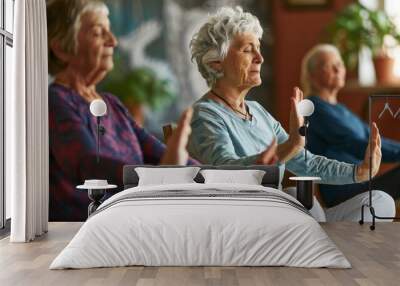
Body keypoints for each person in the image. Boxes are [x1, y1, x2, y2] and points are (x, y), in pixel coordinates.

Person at [187, 6, 395, 221]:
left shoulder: (257, 111)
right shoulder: (205, 116)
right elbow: (226, 173)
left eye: (258, 49)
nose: (260, 58)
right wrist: (290, 146)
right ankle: (325, 244)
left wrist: (360, 171)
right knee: (296, 197)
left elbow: (307, 162)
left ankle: (324, 245)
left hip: (292, 222)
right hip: (252, 222)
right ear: (216, 63)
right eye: (248, 49)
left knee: (380, 201)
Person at [47, 0, 196, 221]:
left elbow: (159, 153)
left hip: (130, 218)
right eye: (99, 33)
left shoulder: (112, 104)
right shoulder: (56, 101)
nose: (113, 41)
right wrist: (161, 177)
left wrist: (217, 178)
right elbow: (90, 167)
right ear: (61, 48)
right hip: (87, 227)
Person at [301, 44, 400, 210]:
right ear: (312, 75)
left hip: (362, 183)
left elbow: (376, 140)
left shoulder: (341, 109)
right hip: (343, 192)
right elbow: (356, 145)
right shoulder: (314, 108)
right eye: (329, 66)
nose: (338, 69)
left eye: (339, 64)